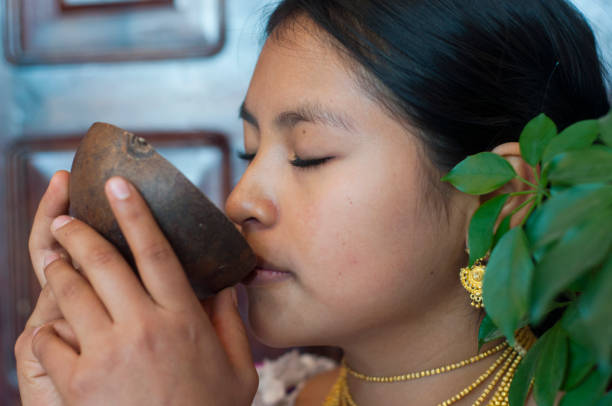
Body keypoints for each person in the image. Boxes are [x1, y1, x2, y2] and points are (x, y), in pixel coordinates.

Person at [14, 0, 609, 405]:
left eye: (309, 155)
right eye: (250, 154)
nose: (240, 200)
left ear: (501, 194)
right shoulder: (281, 391)